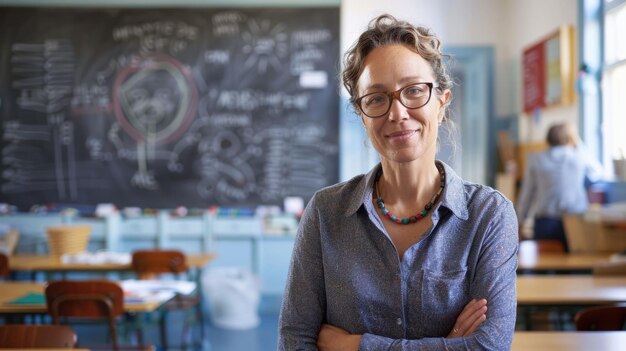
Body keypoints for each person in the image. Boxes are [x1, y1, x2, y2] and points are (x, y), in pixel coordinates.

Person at [278, 14, 518, 350]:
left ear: (441, 102)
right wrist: (447, 345)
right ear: (362, 115)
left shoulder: (489, 215)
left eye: (414, 91)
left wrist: (355, 345)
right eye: (376, 99)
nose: (397, 112)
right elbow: (295, 340)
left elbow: (489, 346)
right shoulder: (325, 212)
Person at [516, 122, 603, 251]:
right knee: (578, 265)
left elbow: (527, 194)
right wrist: (578, 143)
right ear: (571, 138)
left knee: (544, 265)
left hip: (545, 221)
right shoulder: (579, 157)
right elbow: (598, 173)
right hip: (576, 220)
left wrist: (519, 221)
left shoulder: (536, 159)